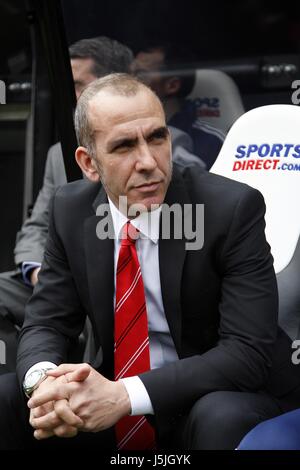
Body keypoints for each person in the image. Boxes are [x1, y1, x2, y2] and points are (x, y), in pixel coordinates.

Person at [0, 73, 299, 450]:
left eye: (157, 137)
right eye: (124, 146)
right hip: (114, 395)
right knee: (11, 396)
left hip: (214, 393)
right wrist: (46, 384)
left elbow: (245, 354)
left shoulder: (231, 209)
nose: (147, 161)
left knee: (219, 415)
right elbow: (47, 321)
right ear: (89, 163)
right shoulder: (71, 209)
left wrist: (123, 395)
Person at [0, 36, 134, 374]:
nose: (68, 96)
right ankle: (27, 381)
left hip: (119, 281)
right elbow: (37, 226)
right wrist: (36, 272)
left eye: (77, 86)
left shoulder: (154, 152)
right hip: (55, 279)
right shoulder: (59, 153)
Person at [131, 42, 225, 169]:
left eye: (140, 74)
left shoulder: (213, 142)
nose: (129, 81)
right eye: (129, 73)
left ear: (172, 85)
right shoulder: (123, 133)